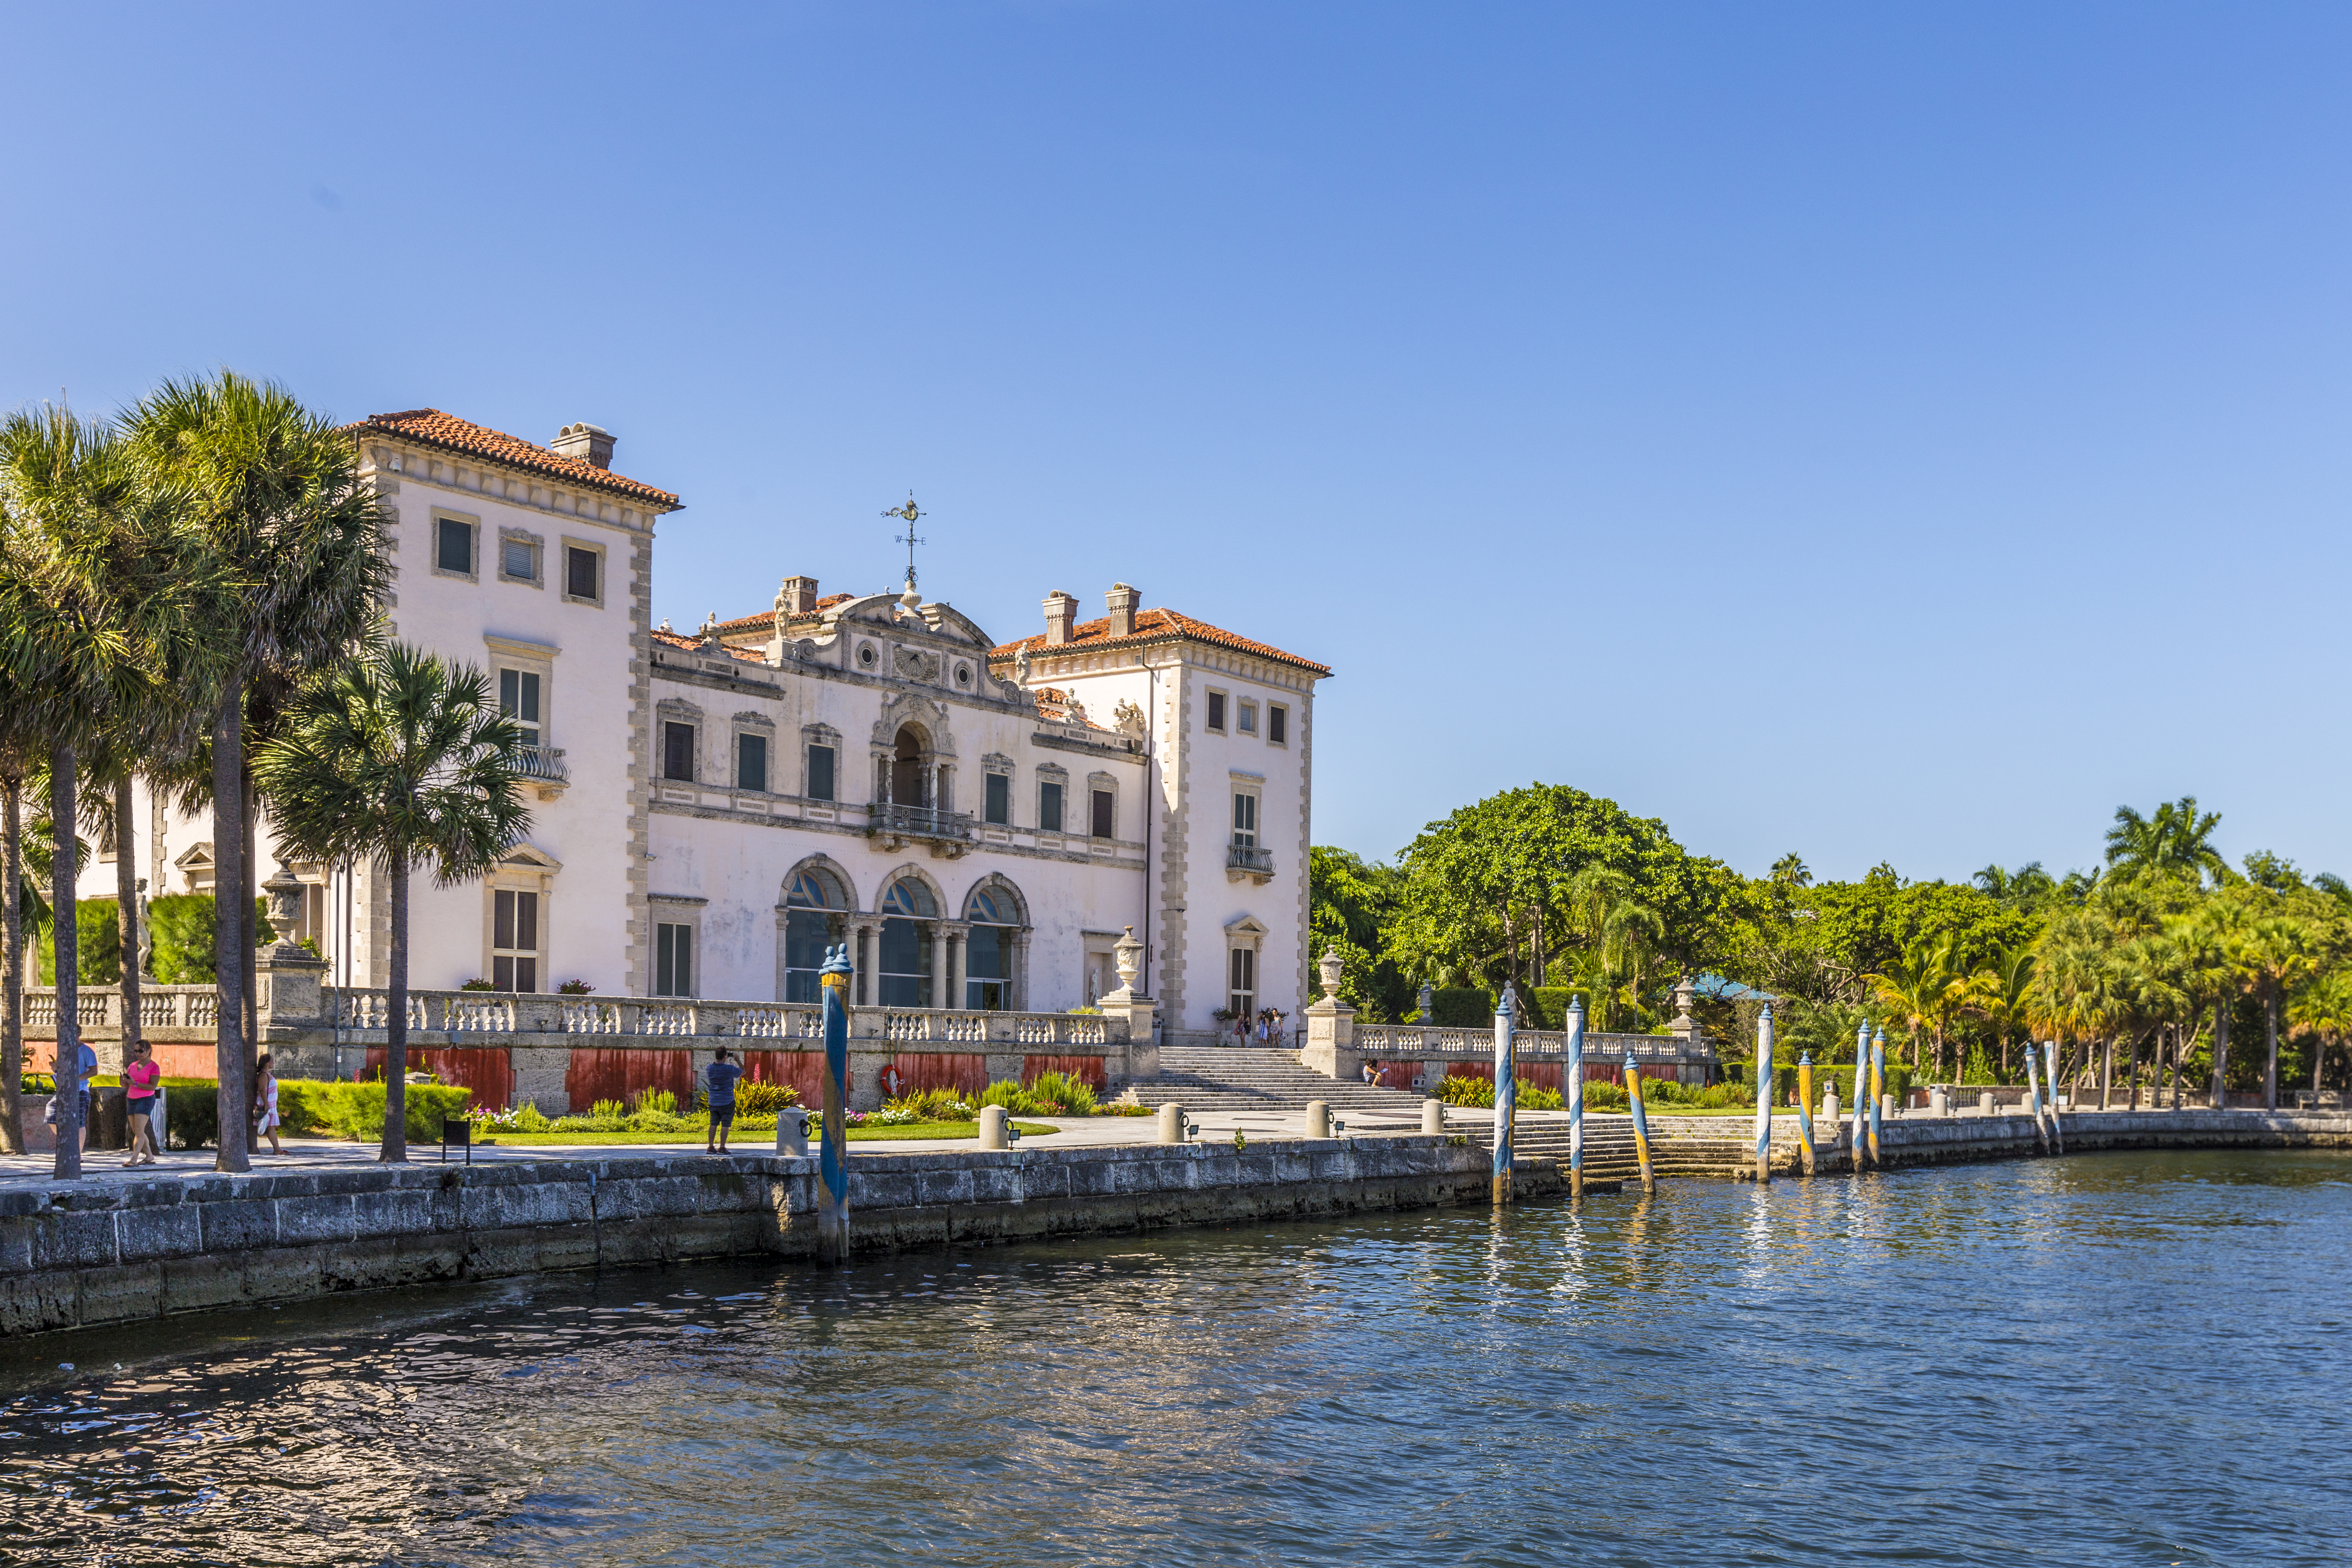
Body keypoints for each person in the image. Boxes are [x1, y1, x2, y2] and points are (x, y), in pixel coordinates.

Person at [122, 1042, 161, 1167]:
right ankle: (149, 1156)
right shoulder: (132, 1066)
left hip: (146, 1099)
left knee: (139, 1130)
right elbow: (126, 1085)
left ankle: (134, 1159)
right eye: (136, 1051)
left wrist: (135, 1083)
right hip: (131, 1098)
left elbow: (153, 1087)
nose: (138, 1054)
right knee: (136, 1130)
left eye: (141, 1051)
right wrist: (124, 1081)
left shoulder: (154, 1067)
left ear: (149, 1051)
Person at [704, 1047, 743, 1153]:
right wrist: (738, 1060)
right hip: (727, 1100)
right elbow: (743, 1072)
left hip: (713, 1100)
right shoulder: (729, 1069)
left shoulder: (710, 1068)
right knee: (725, 1124)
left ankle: (711, 1147)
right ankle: (722, 1147)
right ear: (725, 1056)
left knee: (713, 1123)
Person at [253, 1053, 283, 1156]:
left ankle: (277, 1149)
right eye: (272, 1061)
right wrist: (266, 1104)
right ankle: (277, 1150)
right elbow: (262, 1090)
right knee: (271, 1128)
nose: (273, 1063)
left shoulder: (266, 1075)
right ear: (267, 1063)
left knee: (272, 1127)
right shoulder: (264, 1075)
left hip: (271, 1105)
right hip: (268, 1105)